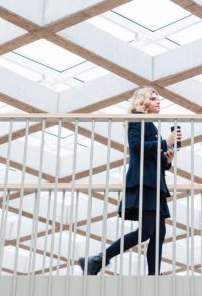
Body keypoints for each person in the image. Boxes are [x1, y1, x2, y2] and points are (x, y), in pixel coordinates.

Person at [77, 87, 180, 276]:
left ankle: (153, 276)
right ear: (143, 101)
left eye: (158, 99)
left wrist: (166, 161)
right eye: (153, 98)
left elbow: (150, 157)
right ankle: (98, 260)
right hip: (145, 183)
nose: (158, 102)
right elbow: (136, 147)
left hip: (154, 183)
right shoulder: (137, 117)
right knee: (146, 232)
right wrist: (165, 142)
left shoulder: (151, 125)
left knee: (159, 233)